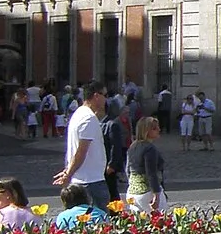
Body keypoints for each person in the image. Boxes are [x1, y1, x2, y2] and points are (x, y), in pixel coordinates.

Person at [53, 82, 112, 211]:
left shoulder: (78, 114)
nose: (106, 99)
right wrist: (68, 174)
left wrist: (68, 171)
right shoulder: (89, 118)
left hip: (83, 178)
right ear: (96, 96)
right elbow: (81, 151)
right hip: (91, 181)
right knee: (99, 223)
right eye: (105, 95)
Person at [126, 117, 169, 215]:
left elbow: (128, 169)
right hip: (147, 192)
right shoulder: (150, 149)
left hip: (132, 192)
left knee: (139, 225)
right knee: (159, 223)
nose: (159, 129)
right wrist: (156, 195)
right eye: (154, 128)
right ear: (146, 131)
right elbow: (151, 173)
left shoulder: (132, 147)